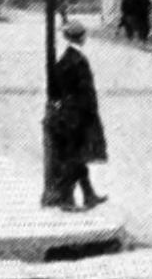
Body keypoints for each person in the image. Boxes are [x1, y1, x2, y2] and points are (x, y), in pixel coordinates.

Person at [45, 21, 108, 212]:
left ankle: (89, 194)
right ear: (81, 37)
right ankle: (65, 199)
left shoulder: (64, 59)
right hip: (79, 116)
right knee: (75, 158)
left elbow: (55, 90)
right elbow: (85, 91)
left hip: (69, 113)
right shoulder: (78, 60)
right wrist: (91, 113)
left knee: (77, 155)